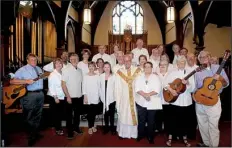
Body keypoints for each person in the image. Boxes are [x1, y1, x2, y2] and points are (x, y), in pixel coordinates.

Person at [194, 51, 229, 147]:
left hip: (213, 101)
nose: (204, 58)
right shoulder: (198, 71)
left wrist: (220, 78)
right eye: (201, 57)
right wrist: (195, 97)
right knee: (202, 124)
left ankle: (213, 146)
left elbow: (226, 84)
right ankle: (206, 143)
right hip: (200, 102)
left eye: (206, 56)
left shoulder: (218, 68)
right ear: (199, 60)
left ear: (209, 57)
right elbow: (196, 87)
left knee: (213, 125)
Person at [10, 53, 44, 146]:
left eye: (35, 60)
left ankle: (35, 133)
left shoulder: (39, 69)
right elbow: (12, 81)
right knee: (29, 116)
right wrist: (26, 81)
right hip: (29, 95)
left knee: (38, 115)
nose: (34, 61)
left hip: (40, 94)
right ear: (27, 60)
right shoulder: (22, 69)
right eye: (32, 60)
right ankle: (31, 136)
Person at [164, 55, 195, 147]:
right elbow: (165, 84)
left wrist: (188, 83)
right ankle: (170, 138)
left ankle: (184, 138)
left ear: (185, 63)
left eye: (183, 62)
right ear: (176, 64)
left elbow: (193, 88)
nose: (181, 64)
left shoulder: (189, 73)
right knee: (173, 120)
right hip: (175, 100)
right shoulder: (172, 73)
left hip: (186, 101)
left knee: (185, 121)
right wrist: (171, 90)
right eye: (179, 62)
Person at [115, 55, 141, 139]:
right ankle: (123, 133)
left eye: (128, 60)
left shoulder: (138, 71)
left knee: (133, 115)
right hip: (123, 97)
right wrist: (118, 100)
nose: (127, 62)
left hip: (135, 97)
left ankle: (133, 134)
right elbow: (117, 88)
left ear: (131, 60)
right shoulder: (119, 72)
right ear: (123, 61)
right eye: (125, 61)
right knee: (123, 114)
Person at [135, 62, 162, 144]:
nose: (147, 68)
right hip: (141, 101)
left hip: (152, 101)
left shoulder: (156, 77)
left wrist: (148, 94)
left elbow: (157, 89)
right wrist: (144, 95)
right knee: (141, 120)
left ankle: (150, 136)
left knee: (151, 120)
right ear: (143, 68)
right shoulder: (139, 77)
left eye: (149, 67)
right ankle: (140, 135)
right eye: (145, 67)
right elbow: (137, 88)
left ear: (151, 68)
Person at [61, 53, 83, 139]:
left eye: (76, 58)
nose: (74, 60)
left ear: (78, 59)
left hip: (79, 96)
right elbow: (63, 84)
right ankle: (70, 132)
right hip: (70, 97)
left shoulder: (80, 70)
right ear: (70, 60)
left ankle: (76, 128)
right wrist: (68, 96)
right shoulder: (66, 70)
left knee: (77, 115)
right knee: (69, 116)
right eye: (72, 59)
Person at [48, 58, 65, 136]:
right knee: (56, 114)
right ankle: (58, 129)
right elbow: (51, 87)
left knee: (60, 114)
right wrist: (55, 97)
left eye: (60, 63)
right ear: (54, 65)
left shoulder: (62, 72)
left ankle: (58, 127)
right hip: (55, 97)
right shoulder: (53, 74)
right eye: (57, 63)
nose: (58, 65)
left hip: (62, 96)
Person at [83, 62, 100, 135]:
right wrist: (85, 96)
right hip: (88, 96)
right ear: (88, 67)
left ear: (95, 67)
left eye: (92, 66)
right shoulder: (85, 76)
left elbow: (99, 87)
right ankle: (90, 127)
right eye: (90, 66)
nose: (91, 68)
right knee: (89, 113)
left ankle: (93, 126)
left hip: (95, 96)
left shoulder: (97, 76)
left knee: (93, 112)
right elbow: (83, 87)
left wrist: (99, 96)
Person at [155, 60, 172, 134]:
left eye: (164, 65)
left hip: (167, 98)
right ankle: (158, 129)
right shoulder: (155, 75)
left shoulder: (171, 75)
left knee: (167, 116)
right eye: (161, 65)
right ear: (159, 67)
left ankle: (167, 130)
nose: (162, 67)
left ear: (167, 66)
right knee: (158, 115)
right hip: (158, 99)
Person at [100, 62, 116, 135]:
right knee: (106, 113)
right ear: (103, 68)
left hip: (112, 98)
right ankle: (106, 127)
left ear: (110, 68)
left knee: (111, 114)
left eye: (108, 67)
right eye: (105, 67)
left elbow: (116, 87)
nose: (107, 68)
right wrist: (101, 96)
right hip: (104, 97)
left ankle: (112, 127)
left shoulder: (114, 76)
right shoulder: (101, 76)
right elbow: (99, 87)